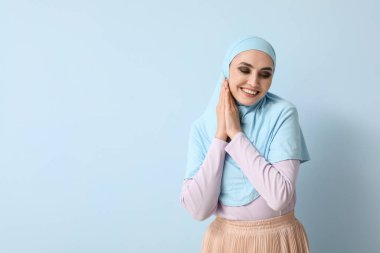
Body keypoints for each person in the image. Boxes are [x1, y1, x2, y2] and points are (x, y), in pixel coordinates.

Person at [179, 35, 311, 253]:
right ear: (226, 70)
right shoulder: (202, 128)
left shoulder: (282, 114)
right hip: (224, 242)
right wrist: (220, 137)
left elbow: (279, 197)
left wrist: (236, 134)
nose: (253, 82)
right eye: (244, 70)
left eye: (265, 74)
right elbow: (198, 210)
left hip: (276, 240)